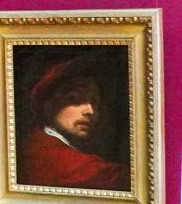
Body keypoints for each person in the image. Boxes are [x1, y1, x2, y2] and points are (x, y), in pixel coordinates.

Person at [18, 60, 129, 190]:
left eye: (94, 103)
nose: (90, 111)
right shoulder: (43, 154)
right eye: (74, 99)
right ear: (48, 107)